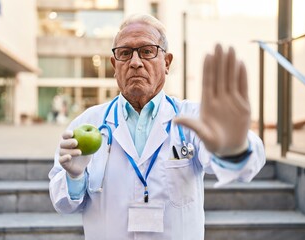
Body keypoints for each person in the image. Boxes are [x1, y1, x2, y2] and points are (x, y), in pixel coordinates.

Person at [49, 14, 265, 240]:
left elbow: (243, 168)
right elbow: (63, 205)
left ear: (167, 62)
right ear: (114, 65)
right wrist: (74, 177)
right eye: (124, 53)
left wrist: (234, 146)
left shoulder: (191, 118)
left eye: (147, 51)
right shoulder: (88, 123)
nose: (135, 62)